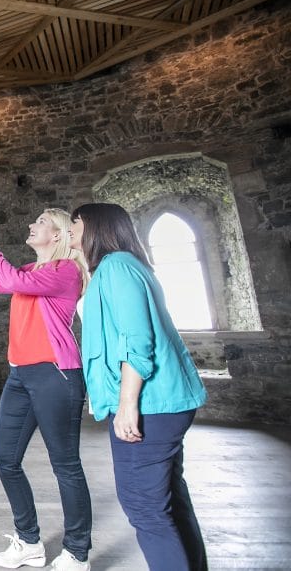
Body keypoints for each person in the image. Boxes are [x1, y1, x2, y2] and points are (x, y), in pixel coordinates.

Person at [69, 203, 208, 571]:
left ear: (95, 226)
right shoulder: (121, 266)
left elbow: (135, 339)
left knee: (146, 508)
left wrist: (127, 402)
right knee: (170, 503)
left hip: (151, 403)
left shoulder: (116, 266)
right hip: (162, 402)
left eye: (75, 222)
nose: (70, 228)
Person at [0, 210, 93, 571]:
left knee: (65, 465)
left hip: (56, 374)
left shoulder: (65, 271)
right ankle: (29, 542)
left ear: (57, 235)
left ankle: (77, 552)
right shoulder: (28, 270)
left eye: (39, 222)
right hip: (20, 375)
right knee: (5, 457)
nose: (31, 226)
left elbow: (5, 276)